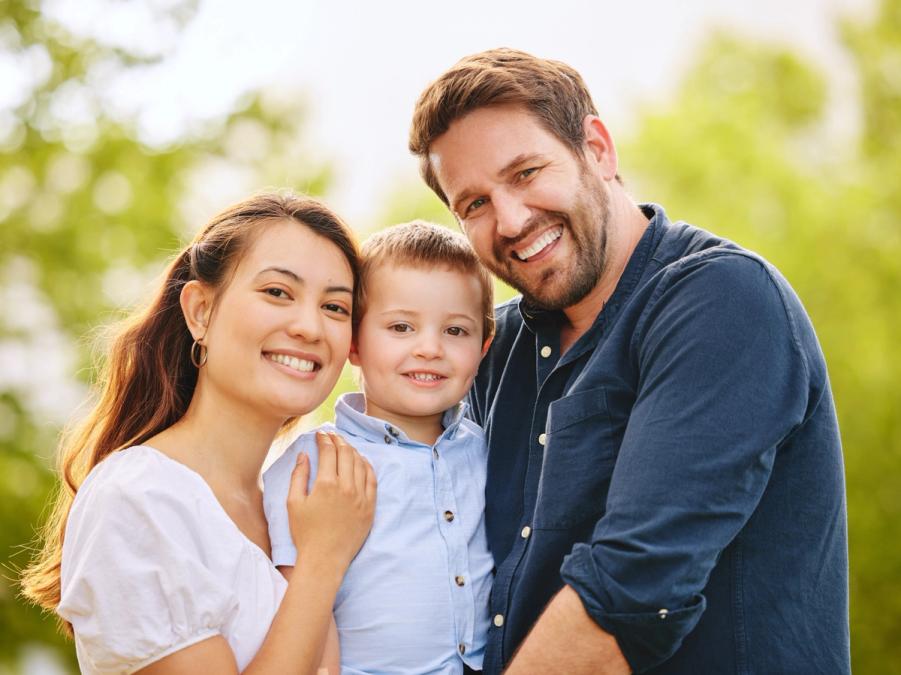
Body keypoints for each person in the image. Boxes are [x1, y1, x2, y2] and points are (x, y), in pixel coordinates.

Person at [408, 48, 850, 674]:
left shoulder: (722, 300)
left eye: (527, 172)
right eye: (473, 204)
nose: (510, 219)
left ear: (597, 148)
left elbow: (631, 592)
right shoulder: (491, 348)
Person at [20, 192, 377, 674]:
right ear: (200, 312)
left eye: (336, 307)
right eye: (277, 292)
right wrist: (322, 562)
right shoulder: (136, 498)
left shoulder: (298, 503)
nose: (310, 327)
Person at [264, 221, 495, 674]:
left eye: (455, 331)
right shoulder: (316, 462)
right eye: (402, 327)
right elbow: (290, 613)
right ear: (353, 343)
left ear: (484, 346)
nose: (429, 348)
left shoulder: (487, 449)